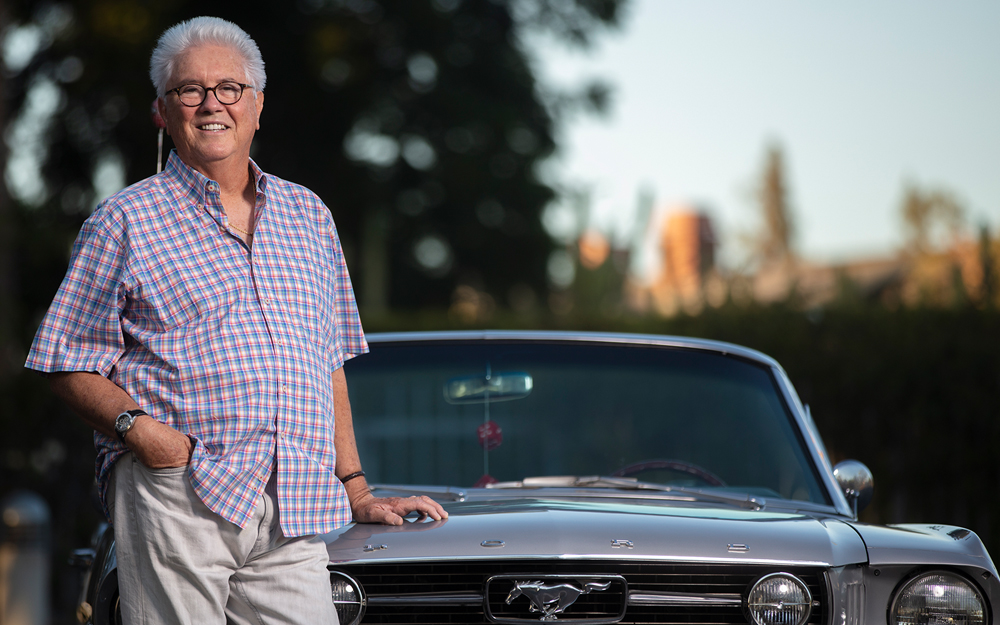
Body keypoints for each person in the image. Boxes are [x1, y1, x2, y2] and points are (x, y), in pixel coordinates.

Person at [25, 16, 446, 625]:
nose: (210, 104)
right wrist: (148, 438)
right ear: (162, 112)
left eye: (229, 88)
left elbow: (325, 362)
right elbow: (63, 360)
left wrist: (354, 488)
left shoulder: (309, 216)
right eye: (188, 90)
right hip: (178, 494)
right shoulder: (124, 221)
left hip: (295, 503)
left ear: (257, 106)